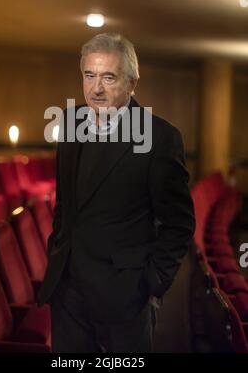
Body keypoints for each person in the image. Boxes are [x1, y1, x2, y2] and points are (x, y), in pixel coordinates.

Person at [37, 33, 195, 353]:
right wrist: (58, 255)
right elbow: (65, 205)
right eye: (89, 75)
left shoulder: (160, 137)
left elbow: (179, 224)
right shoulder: (70, 122)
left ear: (132, 83)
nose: (97, 88)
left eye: (109, 77)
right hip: (67, 289)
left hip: (124, 295)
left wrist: (150, 284)